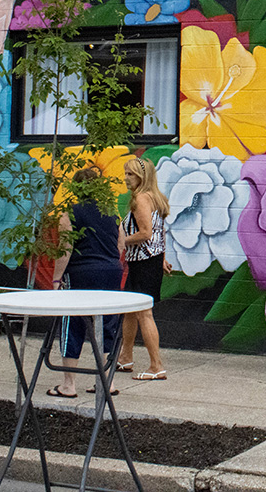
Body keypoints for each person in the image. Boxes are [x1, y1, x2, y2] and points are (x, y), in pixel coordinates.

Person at [47, 165, 125, 399]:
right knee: (107, 324)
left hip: (81, 272)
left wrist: (56, 278)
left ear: (76, 188)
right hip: (111, 271)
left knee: (73, 323)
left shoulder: (69, 213)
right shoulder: (113, 213)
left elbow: (66, 248)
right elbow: (121, 244)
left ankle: (68, 385)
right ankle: (106, 382)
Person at [118, 157, 169, 382]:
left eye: (130, 174)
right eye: (126, 173)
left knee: (144, 313)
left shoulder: (140, 199)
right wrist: (162, 258)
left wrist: (121, 241)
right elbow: (160, 232)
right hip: (150, 260)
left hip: (143, 262)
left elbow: (146, 233)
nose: (126, 178)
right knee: (131, 311)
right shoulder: (155, 197)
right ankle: (125, 357)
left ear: (141, 176)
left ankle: (156, 366)